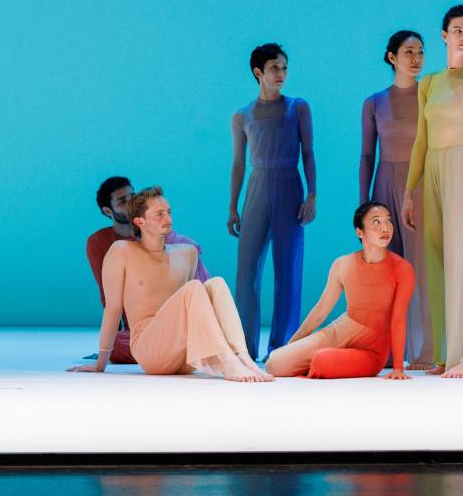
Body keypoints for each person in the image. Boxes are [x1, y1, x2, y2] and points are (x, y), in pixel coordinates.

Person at [68, 187, 271, 382]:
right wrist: (100, 364)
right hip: (150, 352)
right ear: (140, 221)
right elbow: (113, 309)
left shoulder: (187, 252)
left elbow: (195, 311)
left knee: (216, 283)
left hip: (185, 357)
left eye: (169, 212)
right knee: (192, 289)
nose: (168, 218)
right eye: (159, 214)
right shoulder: (122, 251)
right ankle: (227, 362)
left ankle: (243, 358)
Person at [402, 5, 463, 378]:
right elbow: (420, 141)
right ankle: (444, 353)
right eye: (458, 30)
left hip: (462, 168)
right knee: (437, 262)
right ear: (444, 35)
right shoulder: (429, 84)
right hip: (433, 171)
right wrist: (409, 190)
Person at [228, 42, 317, 360]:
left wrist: (312, 194)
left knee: (288, 268)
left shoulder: (298, 107)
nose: (281, 73)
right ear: (258, 72)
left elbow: (308, 151)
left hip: (289, 187)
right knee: (246, 270)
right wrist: (232, 206)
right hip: (257, 188)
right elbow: (238, 163)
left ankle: (282, 346)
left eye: (284, 67)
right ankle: (245, 346)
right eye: (274, 68)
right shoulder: (242, 115)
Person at [265, 201, 415, 380]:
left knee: (322, 361)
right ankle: (329, 361)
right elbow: (321, 311)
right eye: (376, 222)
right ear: (360, 232)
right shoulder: (342, 264)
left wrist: (398, 367)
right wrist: (291, 345)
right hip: (340, 331)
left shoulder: (402, 269)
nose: (385, 228)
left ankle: (331, 362)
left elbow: (398, 319)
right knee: (274, 363)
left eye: (388, 220)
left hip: (371, 350)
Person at [359, 29, 436, 369]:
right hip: (384, 187)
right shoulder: (374, 102)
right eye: (408, 52)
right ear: (392, 58)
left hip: (418, 185)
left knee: (419, 266)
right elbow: (366, 155)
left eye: (420, 51)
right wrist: (364, 204)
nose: (416, 58)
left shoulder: (430, 94)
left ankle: (423, 350)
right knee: (387, 268)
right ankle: (389, 350)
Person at [85, 176, 209, 364]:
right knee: (118, 343)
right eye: (122, 201)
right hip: (140, 332)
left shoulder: (182, 247)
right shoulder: (102, 244)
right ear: (107, 210)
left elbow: (202, 295)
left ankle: (220, 352)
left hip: (178, 326)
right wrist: (106, 351)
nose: (131, 203)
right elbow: (109, 300)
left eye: (132, 196)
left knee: (212, 287)